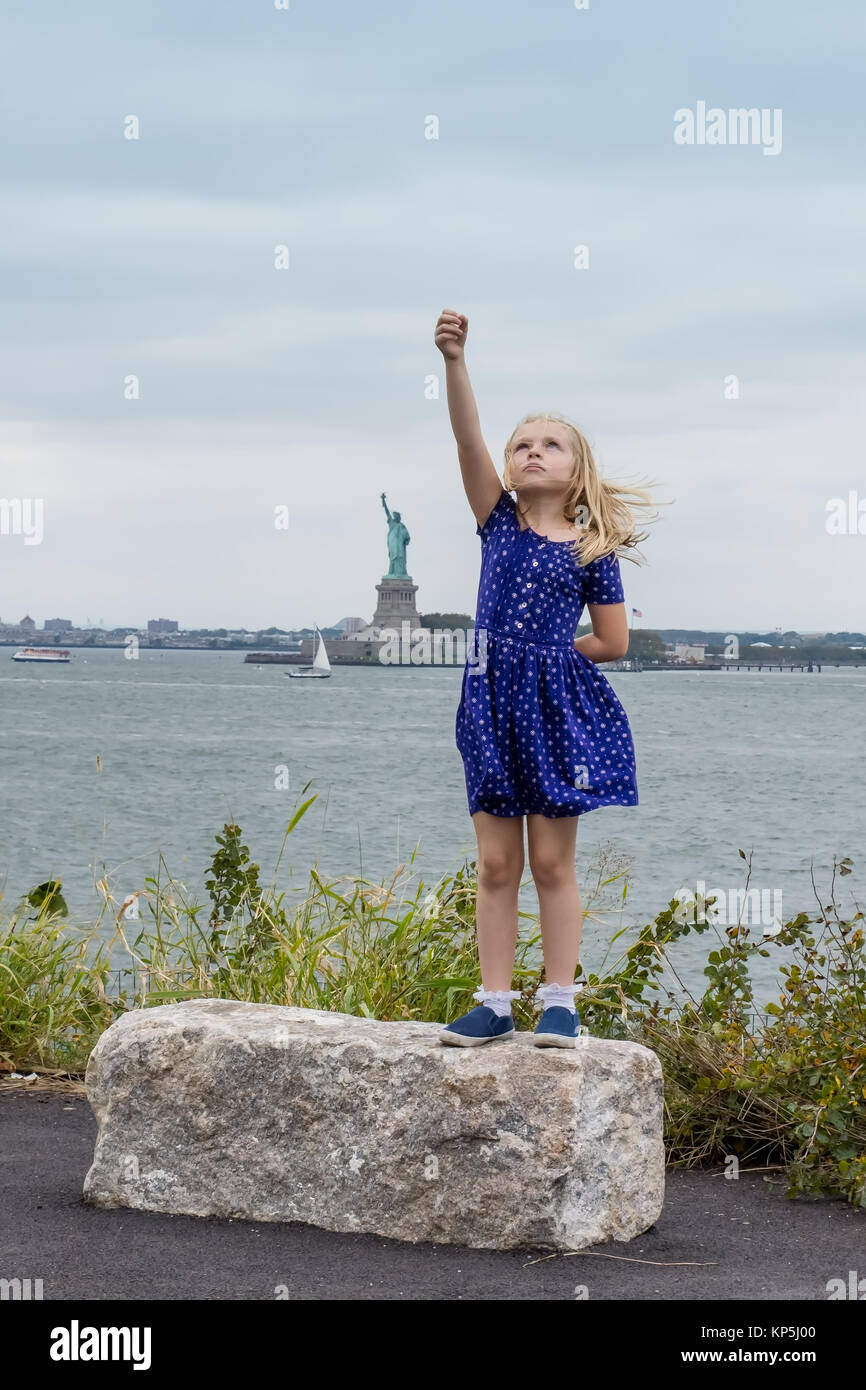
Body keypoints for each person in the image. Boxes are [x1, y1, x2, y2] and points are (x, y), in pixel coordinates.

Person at [433, 308, 656, 1049]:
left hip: (557, 708)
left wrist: (549, 661)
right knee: (497, 863)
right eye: (521, 444)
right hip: (490, 705)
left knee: (553, 864)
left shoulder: (595, 548)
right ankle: (493, 1004)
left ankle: (560, 1002)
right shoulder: (497, 521)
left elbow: (615, 642)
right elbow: (468, 438)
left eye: (549, 445)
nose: (532, 452)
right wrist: (456, 362)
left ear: (575, 468)